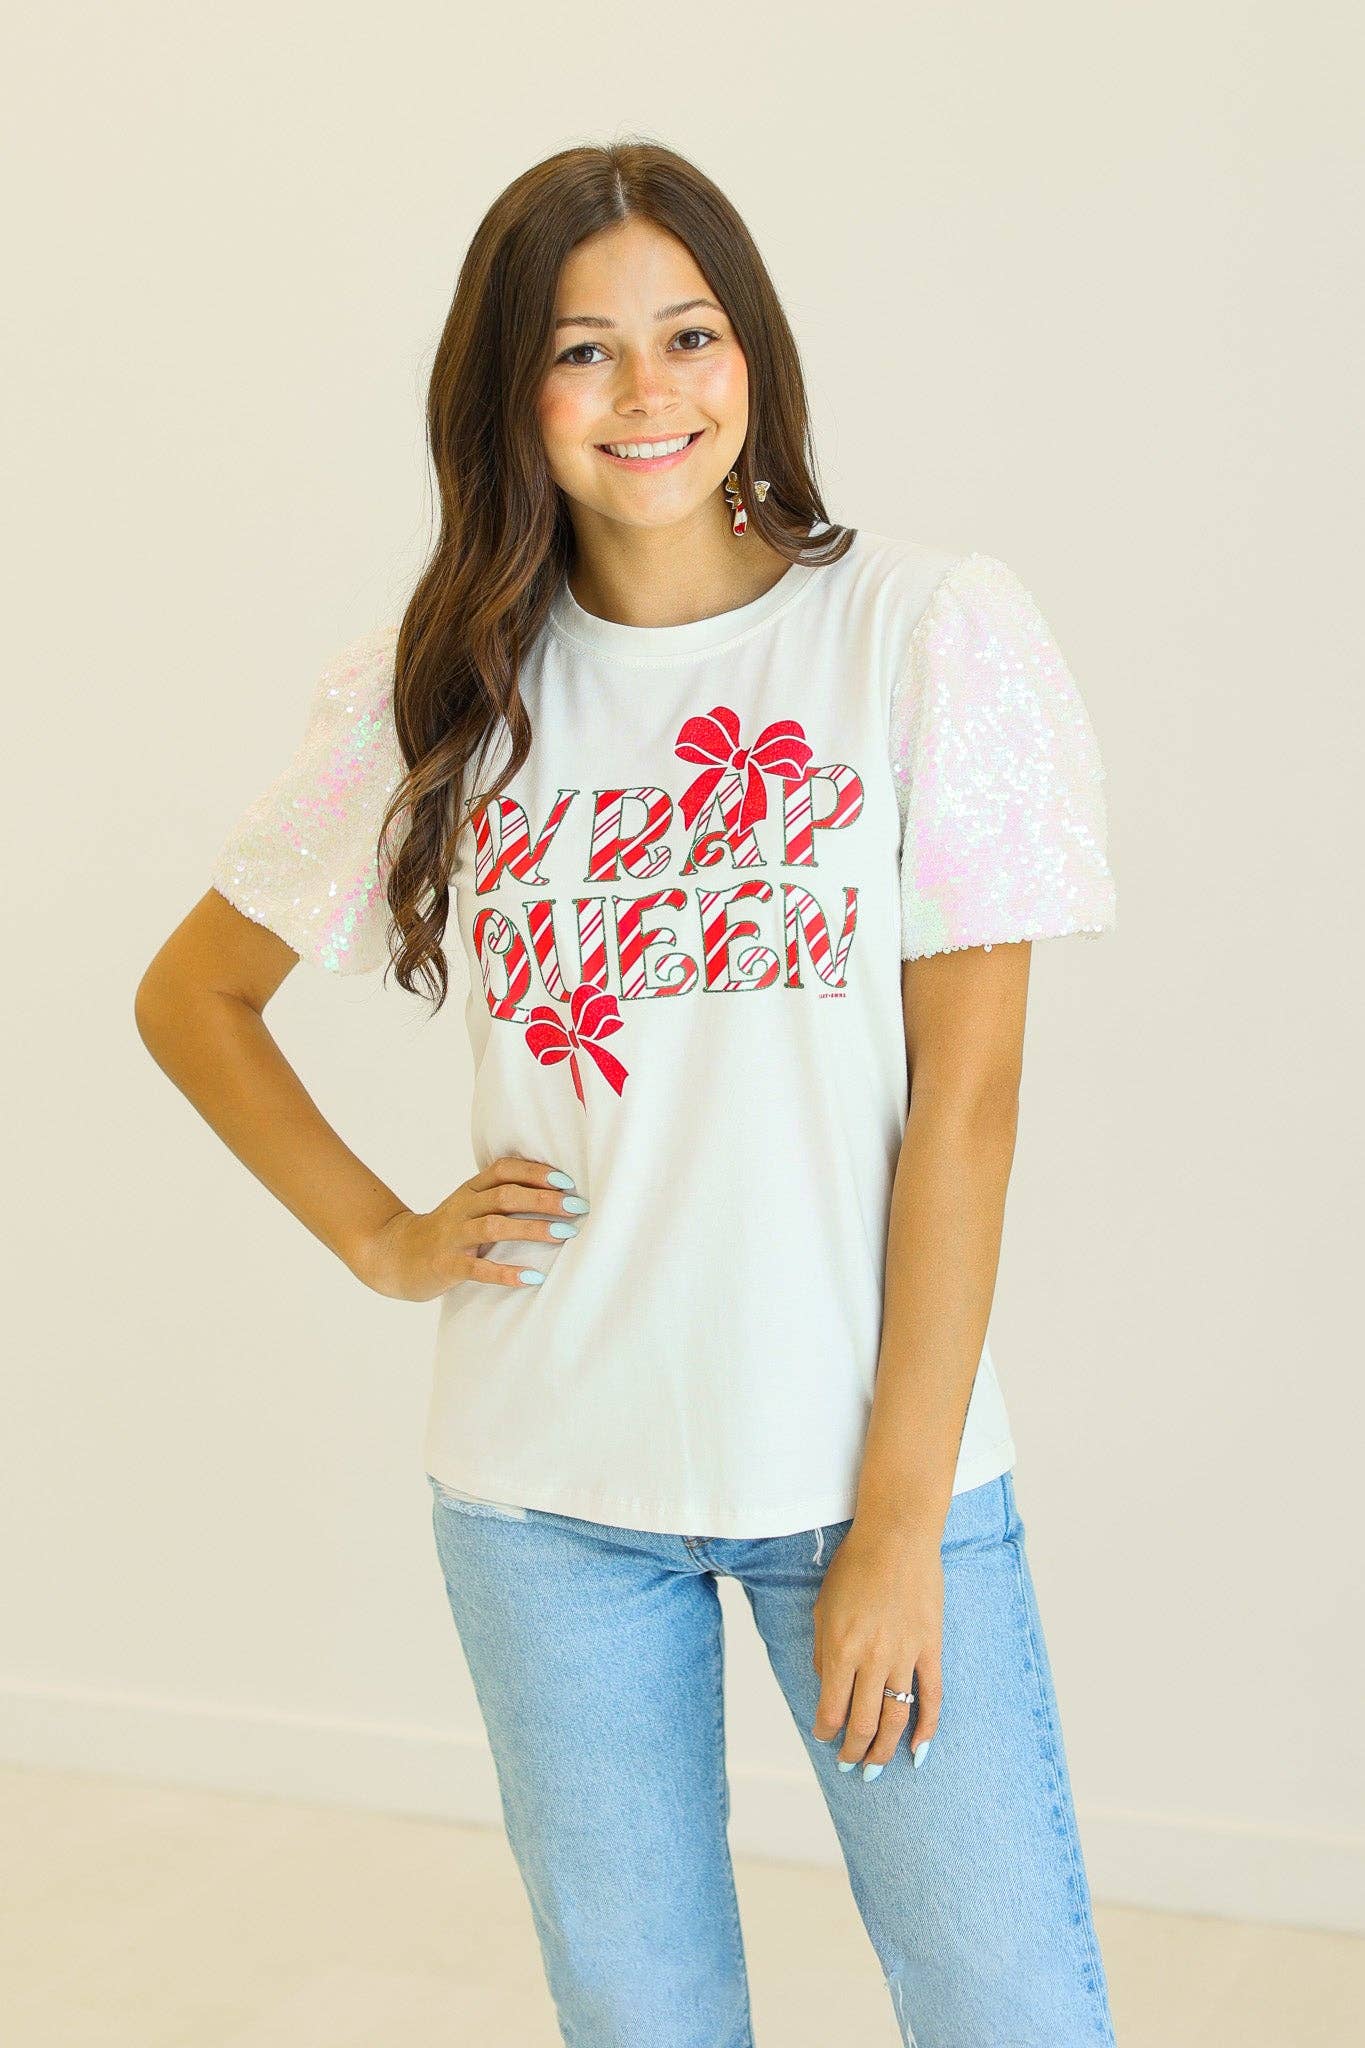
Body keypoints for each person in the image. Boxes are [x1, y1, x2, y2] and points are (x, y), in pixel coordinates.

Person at [135, 138, 1120, 2048]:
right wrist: (382, 1238)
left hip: (863, 1470)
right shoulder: (447, 688)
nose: (645, 390)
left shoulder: (918, 635)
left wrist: (899, 1521)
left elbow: (968, 1109)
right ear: (509, 393)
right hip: (545, 1497)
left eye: (689, 334)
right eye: (582, 351)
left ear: (753, 355)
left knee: (1006, 2003)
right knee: (639, 2014)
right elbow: (195, 997)